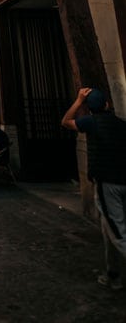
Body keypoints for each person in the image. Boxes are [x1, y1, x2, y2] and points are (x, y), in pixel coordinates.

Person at [62, 87, 126, 291]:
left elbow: (65, 121)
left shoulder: (91, 122)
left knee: (118, 231)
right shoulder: (120, 124)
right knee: (109, 229)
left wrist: (78, 100)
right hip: (123, 179)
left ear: (89, 108)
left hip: (108, 183)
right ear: (107, 105)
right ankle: (112, 273)